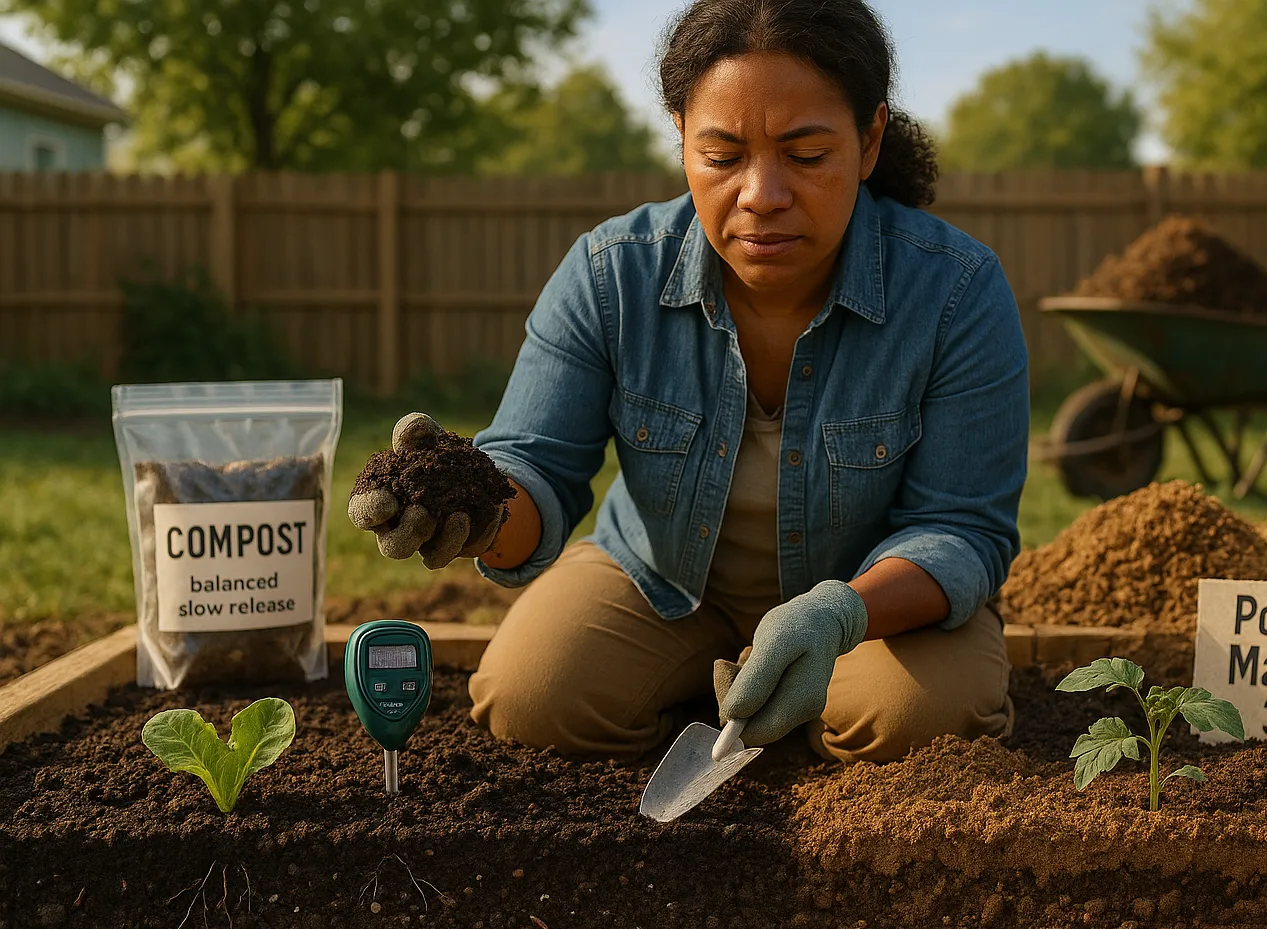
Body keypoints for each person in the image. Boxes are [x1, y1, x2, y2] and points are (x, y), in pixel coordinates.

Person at [349, 0, 1030, 764]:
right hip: (665, 581)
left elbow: (963, 529)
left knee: (917, 723)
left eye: (806, 156)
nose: (762, 194)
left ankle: (805, 695)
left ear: (869, 141)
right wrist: (475, 507)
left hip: (868, 604)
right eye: (723, 154)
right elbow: (536, 467)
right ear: (680, 137)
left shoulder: (955, 291)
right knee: (530, 696)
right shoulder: (612, 274)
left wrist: (839, 614)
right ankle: (720, 699)